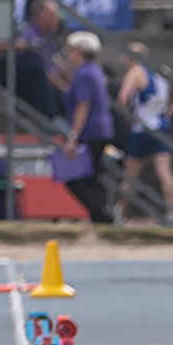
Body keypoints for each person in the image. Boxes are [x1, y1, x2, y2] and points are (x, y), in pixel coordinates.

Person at [116, 42, 173, 225]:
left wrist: (129, 117)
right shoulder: (161, 72)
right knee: (164, 171)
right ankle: (172, 209)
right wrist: (169, 112)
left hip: (142, 128)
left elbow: (123, 98)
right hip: (161, 126)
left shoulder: (135, 72)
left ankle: (120, 212)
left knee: (131, 174)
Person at [59, 31, 116, 225]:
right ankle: (102, 214)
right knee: (94, 176)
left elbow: (83, 105)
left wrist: (73, 136)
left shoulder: (83, 74)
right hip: (102, 129)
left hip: (89, 131)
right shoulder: (94, 71)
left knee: (75, 177)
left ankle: (101, 214)